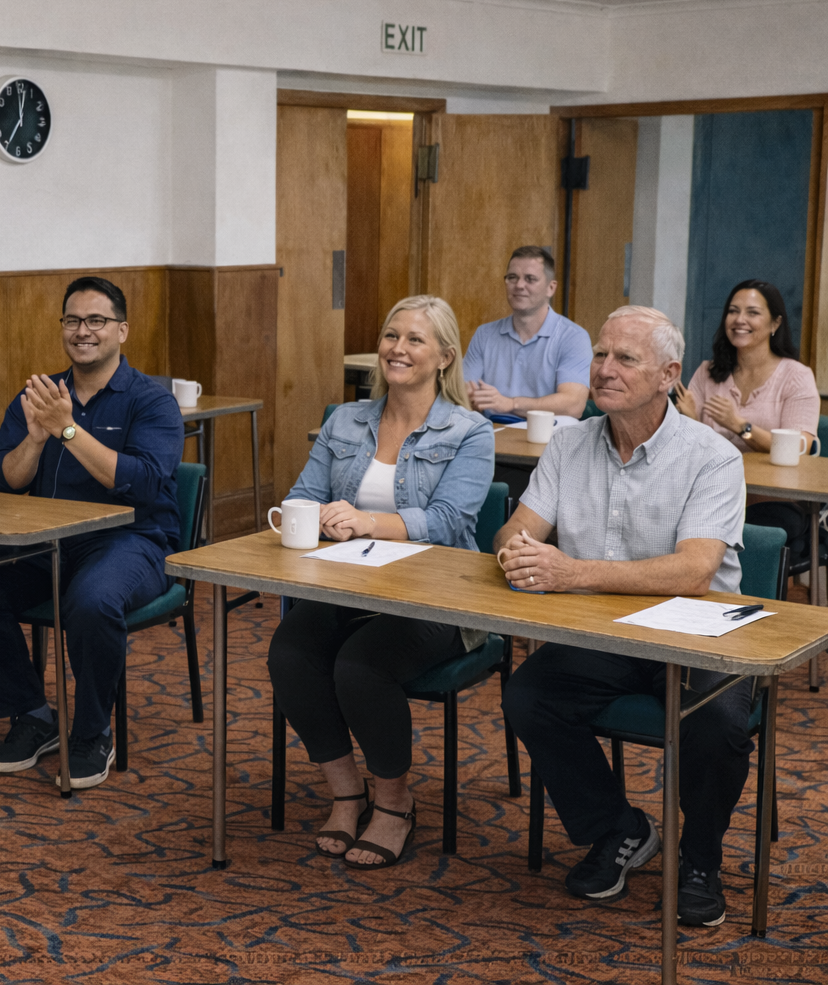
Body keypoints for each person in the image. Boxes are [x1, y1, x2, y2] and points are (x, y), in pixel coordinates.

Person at [498, 305, 747, 928]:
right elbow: (516, 531)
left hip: (698, 635)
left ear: (669, 374)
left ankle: (700, 859)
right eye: (601, 355)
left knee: (717, 720)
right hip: (601, 636)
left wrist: (568, 573)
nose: (604, 369)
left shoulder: (712, 457)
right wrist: (517, 549)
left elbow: (692, 573)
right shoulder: (569, 442)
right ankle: (619, 829)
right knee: (529, 694)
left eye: (624, 359)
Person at [266, 296, 493, 869]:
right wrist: (314, 515)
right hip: (348, 588)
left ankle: (394, 803)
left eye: (415, 339)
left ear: (444, 356)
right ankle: (346, 793)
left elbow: (447, 523)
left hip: (437, 597)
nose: (398, 348)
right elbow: (302, 495)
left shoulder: (470, 431)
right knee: (289, 651)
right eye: (392, 336)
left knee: (359, 666)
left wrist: (368, 523)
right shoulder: (346, 420)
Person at [0, 276, 183, 789]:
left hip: (133, 541)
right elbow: (4, 481)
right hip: (49, 542)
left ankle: (91, 732)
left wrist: (67, 428)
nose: (82, 331)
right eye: (72, 320)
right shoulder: (39, 396)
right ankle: (33, 715)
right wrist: (37, 438)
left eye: (96, 321)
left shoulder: (152, 401)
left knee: (91, 602)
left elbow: (145, 482)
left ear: (122, 331)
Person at [675, 278, 819, 561]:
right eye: (733, 311)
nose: (740, 320)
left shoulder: (797, 376)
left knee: (742, 531)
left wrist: (741, 427)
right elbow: (689, 443)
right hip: (710, 492)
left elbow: (802, 445)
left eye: (752, 312)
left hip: (773, 498)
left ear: (775, 323)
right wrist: (690, 420)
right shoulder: (707, 372)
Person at [463, 246, 593, 420]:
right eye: (512, 277)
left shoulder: (573, 337)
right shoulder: (484, 334)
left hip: (547, 440)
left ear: (551, 288)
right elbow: (461, 392)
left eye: (530, 279)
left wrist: (511, 403)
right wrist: (468, 396)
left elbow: (573, 405)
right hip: (491, 435)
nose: (519, 285)